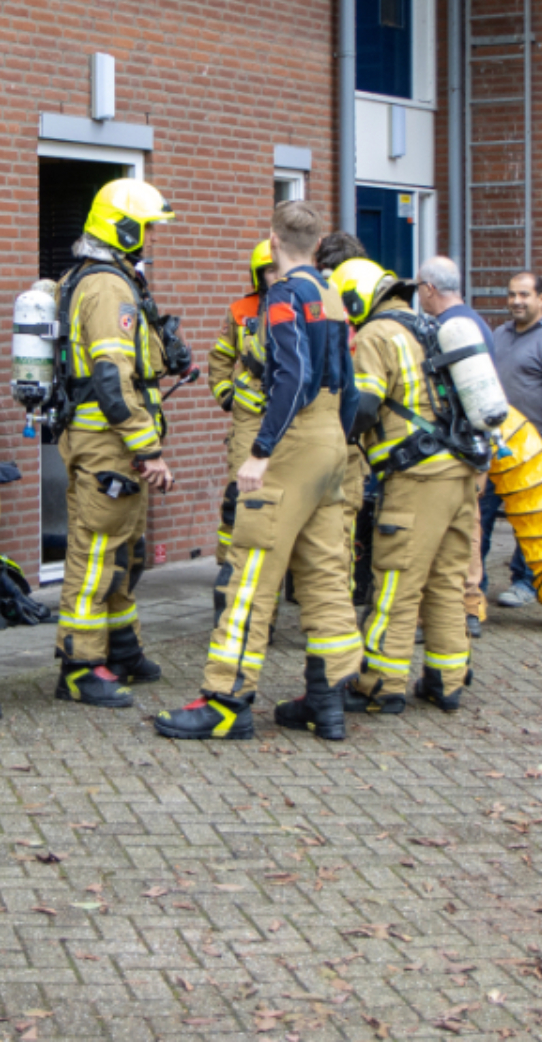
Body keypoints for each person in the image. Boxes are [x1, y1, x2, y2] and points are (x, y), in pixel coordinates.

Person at [155, 200, 362, 742]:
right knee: (324, 572)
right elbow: (350, 385)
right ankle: (328, 700)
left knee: (251, 573)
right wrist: (337, 441)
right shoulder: (332, 297)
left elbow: (290, 377)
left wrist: (262, 451)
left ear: (273, 242)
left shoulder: (283, 297)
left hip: (291, 445)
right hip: (331, 442)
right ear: (317, 245)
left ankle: (226, 700)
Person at [52, 178, 187, 709]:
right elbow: (112, 377)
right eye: (147, 228)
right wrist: (147, 447)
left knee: (126, 551)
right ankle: (79, 666)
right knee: (95, 553)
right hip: (108, 442)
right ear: (123, 227)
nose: (151, 238)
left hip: (114, 440)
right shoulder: (108, 287)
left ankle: (121, 646)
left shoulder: (104, 278)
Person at [333, 258, 477, 714]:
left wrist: (334, 437)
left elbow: (364, 406)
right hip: (459, 470)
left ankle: (380, 683)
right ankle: (446, 680)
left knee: (396, 581)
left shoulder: (376, 335)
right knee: (446, 580)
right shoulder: (426, 325)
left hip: (417, 478)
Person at [406, 256, 497, 709]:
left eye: (419, 288)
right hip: (474, 450)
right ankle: (454, 668)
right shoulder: (475, 322)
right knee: (462, 539)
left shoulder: (448, 329)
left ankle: (466, 609)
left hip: (452, 456)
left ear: (427, 288)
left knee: (445, 555)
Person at [482, 271, 542, 608]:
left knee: (530, 520)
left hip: (531, 451)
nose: (516, 302)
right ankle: (474, 585)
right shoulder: (499, 335)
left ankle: (525, 582)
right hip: (494, 445)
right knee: (480, 514)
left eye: (524, 295)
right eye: (512, 295)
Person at [206, 240, 275, 623]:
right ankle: (229, 578)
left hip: (289, 419)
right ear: (257, 273)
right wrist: (226, 396)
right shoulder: (240, 311)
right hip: (249, 418)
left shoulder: (298, 307)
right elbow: (219, 359)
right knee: (239, 498)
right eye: (268, 270)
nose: (275, 276)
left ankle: (272, 594)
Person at [315, 232, 377, 610]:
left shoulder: (314, 307)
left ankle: (329, 613)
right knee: (338, 531)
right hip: (345, 441)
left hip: (330, 439)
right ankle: (333, 613)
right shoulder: (361, 318)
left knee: (333, 531)